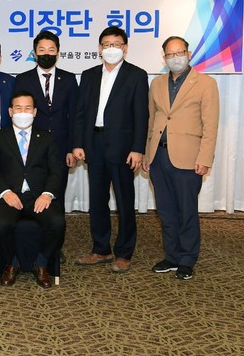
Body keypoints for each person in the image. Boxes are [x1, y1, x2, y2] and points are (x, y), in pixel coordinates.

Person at [72, 26, 149, 273]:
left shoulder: (136, 75)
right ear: (99, 48)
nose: (111, 49)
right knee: (97, 200)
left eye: (116, 45)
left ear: (125, 48)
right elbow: (81, 113)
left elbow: (141, 116)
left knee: (125, 201)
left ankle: (124, 253)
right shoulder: (89, 75)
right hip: (93, 145)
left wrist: (138, 149)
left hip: (123, 148)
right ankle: (101, 249)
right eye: (106, 45)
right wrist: (78, 143)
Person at [143, 36, 220, 280]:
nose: (175, 58)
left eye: (180, 53)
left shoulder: (206, 83)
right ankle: (172, 256)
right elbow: (151, 120)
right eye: (170, 54)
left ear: (188, 54)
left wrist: (205, 158)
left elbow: (210, 125)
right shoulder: (156, 83)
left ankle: (187, 258)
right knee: (165, 211)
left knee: (187, 211)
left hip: (188, 157)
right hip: (158, 156)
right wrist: (147, 153)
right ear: (164, 57)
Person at [0, 91, 65, 289]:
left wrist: (47, 194)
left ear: (35, 112)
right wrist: (5, 192)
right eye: (18, 108)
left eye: (27, 108)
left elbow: (56, 170)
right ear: (10, 111)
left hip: (38, 195)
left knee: (57, 222)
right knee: (0, 225)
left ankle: (41, 263)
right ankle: (12, 263)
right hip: (9, 195)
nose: (23, 112)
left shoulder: (47, 138)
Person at [14, 31, 78, 264]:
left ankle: (54, 247)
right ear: (34, 53)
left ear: (58, 53)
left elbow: (75, 116)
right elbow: (17, 114)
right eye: (41, 50)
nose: (46, 54)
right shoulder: (23, 79)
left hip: (60, 148)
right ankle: (29, 242)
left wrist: (73, 147)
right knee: (31, 194)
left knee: (55, 195)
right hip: (31, 149)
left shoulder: (69, 79)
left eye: (51, 50)